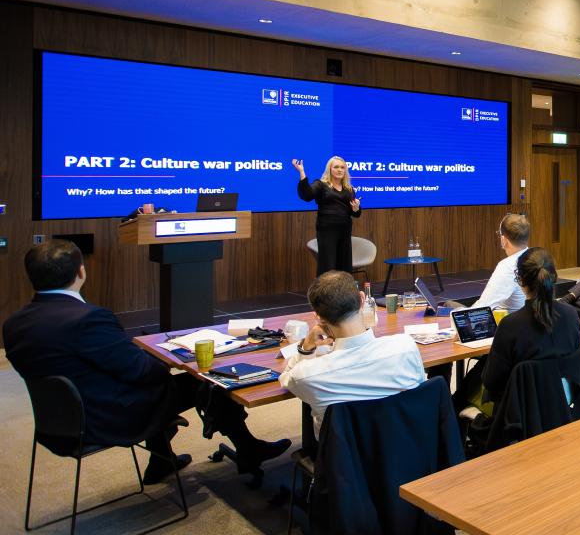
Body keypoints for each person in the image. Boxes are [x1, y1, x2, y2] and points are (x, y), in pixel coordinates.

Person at [3, 241, 289, 483]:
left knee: (176, 383)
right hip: (107, 417)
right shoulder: (87, 319)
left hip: (58, 420)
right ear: (80, 272)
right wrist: (163, 360)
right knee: (211, 380)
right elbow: (142, 372)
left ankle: (163, 460)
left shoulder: (14, 324)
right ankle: (248, 449)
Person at [280, 270, 425, 435]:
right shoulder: (405, 347)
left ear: (318, 317)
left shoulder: (306, 375)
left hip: (346, 457)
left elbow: (286, 379)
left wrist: (306, 347)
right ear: (362, 299)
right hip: (408, 447)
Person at [482, 248, 580, 404]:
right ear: (554, 277)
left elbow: (491, 382)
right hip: (563, 406)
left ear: (521, 281)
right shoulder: (571, 315)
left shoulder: (510, 325)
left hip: (519, 413)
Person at [293, 156, 361, 276]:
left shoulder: (349, 189)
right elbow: (307, 195)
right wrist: (302, 172)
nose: (340, 170)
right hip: (327, 231)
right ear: (329, 169)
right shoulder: (321, 185)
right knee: (328, 265)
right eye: (336, 167)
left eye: (342, 167)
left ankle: (344, 293)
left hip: (345, 230)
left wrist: (356, 208)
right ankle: (325, 293)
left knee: (344, 264)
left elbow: (355, 213)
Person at [473, 213, 531, 312]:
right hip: (533, 321)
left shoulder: (508, 266)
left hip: (509, 324)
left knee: (449, 305)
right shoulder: (537, 256)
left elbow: (484, 307)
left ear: (504, 240)